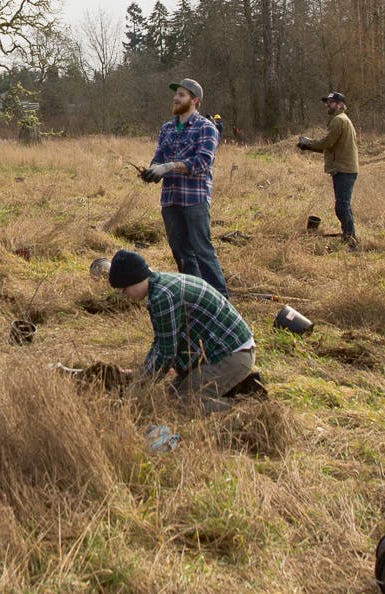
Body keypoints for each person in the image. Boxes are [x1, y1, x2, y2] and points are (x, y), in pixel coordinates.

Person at [107, 249, 256, 413]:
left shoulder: (163, 297)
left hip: (233, 354)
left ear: (135, 279)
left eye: (124, 289)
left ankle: (250, 407)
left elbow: (166, 354)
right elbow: (161, 342)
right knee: (171, 396)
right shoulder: (161, 286)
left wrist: (137, 387)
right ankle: (238, 388)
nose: (124, 294)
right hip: (220, 352)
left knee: (184, 404)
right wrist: (143, 373)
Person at [139, 78, 229, 296]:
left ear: (194, 100)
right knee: (180, 252)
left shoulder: (206, 128)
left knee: (202, 250)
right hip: (170, 199)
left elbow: (202, 163)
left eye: (181, 95)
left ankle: (221, 298)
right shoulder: (167, 128)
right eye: (176, 94)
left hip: (194, 199)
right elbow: (158, 157)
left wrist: (169, 167)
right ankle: (194, 296)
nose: (176, 98)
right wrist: (152, 171)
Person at [299, 92, 360, 249]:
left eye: (331, 102)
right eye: (328, 102)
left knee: (342, 206)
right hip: (344, 168)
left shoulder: (339, 121)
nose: (328, 104)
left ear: (340, 105)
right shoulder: (341, 120)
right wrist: (309, 147)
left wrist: (308, 144)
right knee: (343, 206)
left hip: (344, 169)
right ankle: (349, 237)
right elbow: (330, 147)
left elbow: (327, 142)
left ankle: (351, 241)